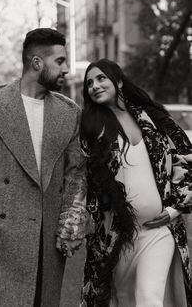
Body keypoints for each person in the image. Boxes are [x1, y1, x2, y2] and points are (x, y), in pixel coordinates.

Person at [0, 28, 87, 307]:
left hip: (49, 234)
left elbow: (76, 171)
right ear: (37, 63)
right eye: (60, 61)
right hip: (3, 230)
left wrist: (70, 218)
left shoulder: (70, 113)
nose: (66, 69)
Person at [79, 59, 192, 307]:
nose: (95, 86)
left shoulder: (153, 117)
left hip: (158, 231)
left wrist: (175, 209)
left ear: (118, 81)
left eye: (101, 78)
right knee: (123, 299)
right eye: (89, 83)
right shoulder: (91, 128)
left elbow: (186, 158)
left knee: (148, 298)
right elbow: (82, 179)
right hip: (117, 236)